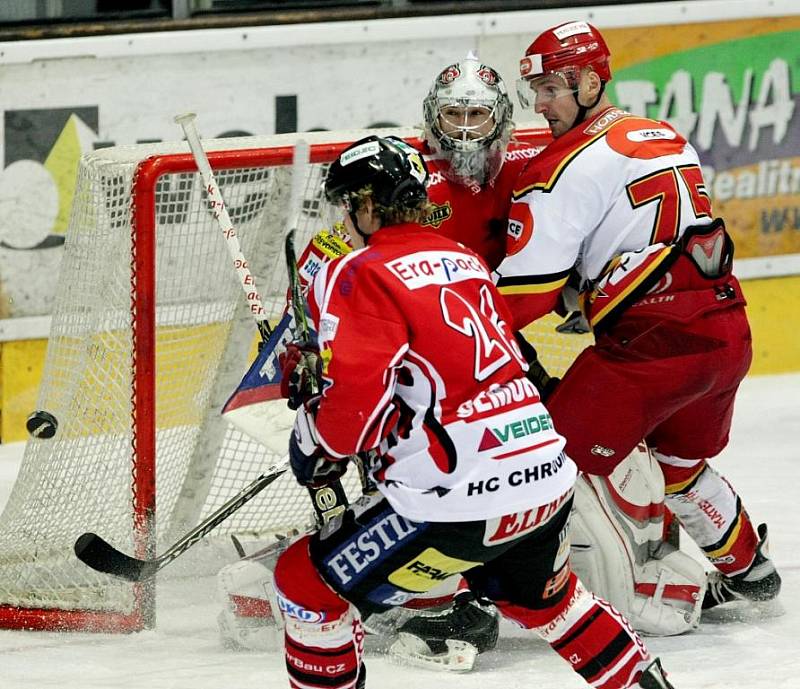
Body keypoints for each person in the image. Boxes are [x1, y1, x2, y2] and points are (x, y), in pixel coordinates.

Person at [216, 53, 706, 661]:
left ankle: (509, 575)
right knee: (455, 452)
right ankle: (448, 596)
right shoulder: (411, 182)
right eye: (454, 114)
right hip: (437, 347)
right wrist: (305, 335)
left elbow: (561, 246)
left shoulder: (528, 172)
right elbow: (332, 256)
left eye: (479, 114)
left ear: (502, 119)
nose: (467, 128)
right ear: (431, 118)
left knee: (529, 448)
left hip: (479, 344)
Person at [271, 133, 675, 689]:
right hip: (545, 482)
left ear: (366, 205)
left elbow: (352, 423)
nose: (345, 217)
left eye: (348, 204)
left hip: (459, 497)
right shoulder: (462, 258)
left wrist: (311, 435)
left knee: (303, 583)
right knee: (549, 606)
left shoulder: (362, 270)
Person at [495, 20, 781, 614]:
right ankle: (751, 569)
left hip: (652, 349)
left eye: (552, 89)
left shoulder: (556, 171)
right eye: (536, 91)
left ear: (591, 80)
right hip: (726, 331)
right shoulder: (661, 132)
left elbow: (524, 299)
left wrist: (436, 324)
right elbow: (650, 238)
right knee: (678, 463)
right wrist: (591, 292)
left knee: (540, 464)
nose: (541, 105)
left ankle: (635, 598)